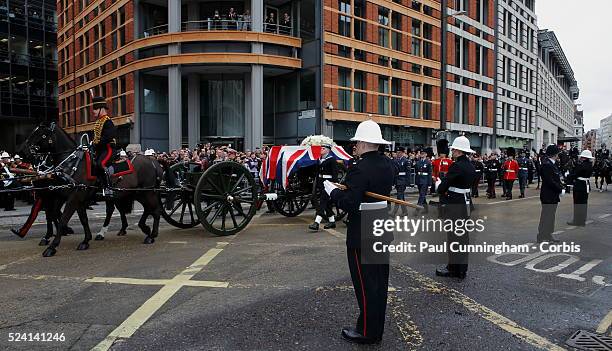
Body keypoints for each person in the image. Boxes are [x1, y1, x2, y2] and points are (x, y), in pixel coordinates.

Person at [326, 119, 394, 344]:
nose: (355, 146)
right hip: (381, 226)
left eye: (356, 143)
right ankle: (376, 328)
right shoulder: (387, 164)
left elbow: (350, 204)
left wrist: (332, 193)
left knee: (365, 284)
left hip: (363, 229)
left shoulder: (359, 167)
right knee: (379, 282)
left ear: (363, 143)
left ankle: (367, 331)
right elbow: (366, 191)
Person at [435, 136, 477, 279]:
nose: (452, 152)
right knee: (463, 238)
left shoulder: (456, 166)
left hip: (455, 204)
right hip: (465, 204)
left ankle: (453, 269)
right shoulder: (471, 166)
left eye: (454, 150)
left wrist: (438, 185)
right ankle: (462, 269)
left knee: (453, 238)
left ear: (459, 151)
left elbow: (442, 188)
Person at [537, 145, 564, 243]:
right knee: (546, 216)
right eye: (557, 153)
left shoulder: (552, 163)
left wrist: (561, 185)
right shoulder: (547, 164)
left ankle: (548, 234)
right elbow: (550, 181)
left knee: (551, 216)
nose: (558, 155)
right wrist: (560, 188)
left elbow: (556, 178)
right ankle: (542, 236)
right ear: (554, 154)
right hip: (548, 194)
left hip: (552, 194)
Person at [91, 95, 117, 197]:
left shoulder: (108, 121)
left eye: (95, 108)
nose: (93, 111)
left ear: (102, 109)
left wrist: (96, 142)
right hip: (100, 150)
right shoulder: (98, 121)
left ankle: (108, 187)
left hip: (108, 149)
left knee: (101, 164)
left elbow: (108, 137)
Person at [309, 144, 338, 231]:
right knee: (327, 203)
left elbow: (335, 173)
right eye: (321, 148)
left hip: (328, 182)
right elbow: (317, 173)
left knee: (323, 201)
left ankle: (317, 222)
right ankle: (332, 222)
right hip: (321, 182)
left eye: (323, 148)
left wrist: (333, 183)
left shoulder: (332, 160)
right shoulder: (319, 159)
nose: (321, 149)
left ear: (328, 150)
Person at [566, 150, 594, 226]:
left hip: (580, 185)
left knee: (577, 203)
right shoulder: (590, 165)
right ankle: (582, 220)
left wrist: (568, 176)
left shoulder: (581, 165)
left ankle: (577, 221)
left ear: (584, 157)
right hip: (586, 185)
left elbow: (575, 174)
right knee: (584, 203)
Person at [391, 147, 409, 215]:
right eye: (397, 152)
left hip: (403, 180)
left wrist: (407, 183)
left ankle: (394, 212)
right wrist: (393, 182)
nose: (398, 153)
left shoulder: (406, 161)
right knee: (401, 197)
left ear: (402, 153)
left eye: (399, 152)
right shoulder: (394, 160)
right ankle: (405, 211)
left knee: (399, 196)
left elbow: (408, 173)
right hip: (397, 180)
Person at [415, 148, 432, 214]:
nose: (422, 154)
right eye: (421, 153)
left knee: (422, 194)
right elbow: (416, 172)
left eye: (423, 153)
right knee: (422, 195)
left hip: (425, 180)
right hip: (419, 179)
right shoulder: (418, 162)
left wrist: (430, 184)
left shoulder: (428, 162)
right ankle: (426, 209)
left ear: (426, 154)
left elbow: (430, 173)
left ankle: (417, 208)